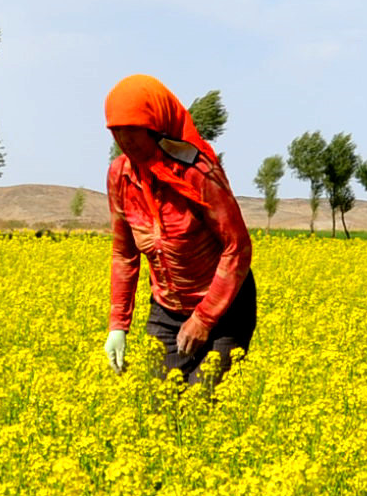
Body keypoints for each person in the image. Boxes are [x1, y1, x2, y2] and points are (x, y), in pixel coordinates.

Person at [102, 75, 256, 385]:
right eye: (117, 132)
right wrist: (118, 325)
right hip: (166, 311)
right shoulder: (120, 176)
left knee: (205, 406)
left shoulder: (197, 174)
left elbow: (237, 247)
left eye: (133, 130)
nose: (125, 141)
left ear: (155, 127)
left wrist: (203, 318)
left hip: (224, 311)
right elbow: (124, 254)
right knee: (161, 409)